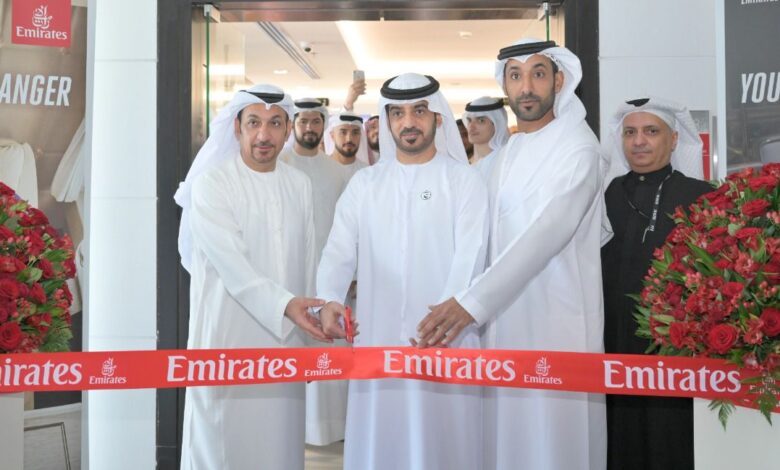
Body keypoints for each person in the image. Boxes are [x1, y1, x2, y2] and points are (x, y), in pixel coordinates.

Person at [420, 39, 608, 470]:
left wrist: (471, 302)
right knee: (507, 439)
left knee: (555, 439)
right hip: (501, 323)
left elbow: (546, 233)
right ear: (504, 84)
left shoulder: (579, 148)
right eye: (516, 76)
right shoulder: (505, 156)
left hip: (558, 322)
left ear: (559, 81)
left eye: (538, 74)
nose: (526, 87)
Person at [316, 73, 489, 470]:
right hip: (377, 339)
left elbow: (472, 254)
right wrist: (328, 299)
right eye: (398, 113)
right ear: (387, 120)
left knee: (444, 445)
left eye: (419, 111)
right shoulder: (365, 184)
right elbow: (338, 250)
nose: (408, 122)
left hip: (446, 340)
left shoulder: (464, 181)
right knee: (381, 442)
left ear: (438, 118)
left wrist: (448, 314)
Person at [174, 84, 330, 470]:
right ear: (237, 128)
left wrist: (309, 336)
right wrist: (288, 306)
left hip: (287, 342)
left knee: (280, 447)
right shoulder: (213, 184)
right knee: (224, 447)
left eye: (275, 123)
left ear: (288, 129)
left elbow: (307, 262)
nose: (264, 134)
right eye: (254, 123)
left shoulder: (299, 184)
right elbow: (233, 265)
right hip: (226, 340)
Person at [601, 97, 712, 470]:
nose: (639, 141)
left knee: (670, 437)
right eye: (630, 133)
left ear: (674, 139)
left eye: (651, 131)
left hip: (672, 343)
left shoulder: (701, 195)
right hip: (614, 338)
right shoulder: (607, 193)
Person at [278, 98, 352, 446]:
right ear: (294, 124)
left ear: (324, 126)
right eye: (303, 121)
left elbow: (347, 228)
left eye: (316, 121)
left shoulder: (336, 172)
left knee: (327, 350)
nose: (309, 128)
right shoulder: (280, 164)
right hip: (290, 274)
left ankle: (328, 428)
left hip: (328, 277)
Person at [463, 96, 510, 179]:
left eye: (480, 121)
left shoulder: (505, 162)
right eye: (469, 120)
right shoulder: (463, 162)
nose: (471, 127)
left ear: (496, 124)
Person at [325, 111, 369, 182]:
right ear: (332, 136)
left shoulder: (367, 172)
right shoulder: (321, 168)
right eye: (343, 132)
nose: (349, 139)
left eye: (355, 132)